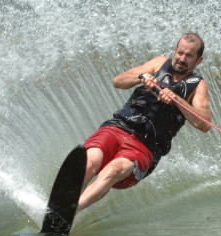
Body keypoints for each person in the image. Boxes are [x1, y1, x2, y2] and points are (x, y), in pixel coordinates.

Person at [77, 33, 211, 212]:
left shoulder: (198, 85)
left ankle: (71, 211)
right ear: (175, 51)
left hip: (145, 147)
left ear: (198, 60)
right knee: (91, 159)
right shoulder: (158, 63)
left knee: (114, 170)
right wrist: (141, 77)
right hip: (118, 127)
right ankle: (62, 203)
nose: (182, 59)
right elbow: (118, 81)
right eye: (180, 53)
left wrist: (178, 100)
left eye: (189, 56)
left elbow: (205, 124)